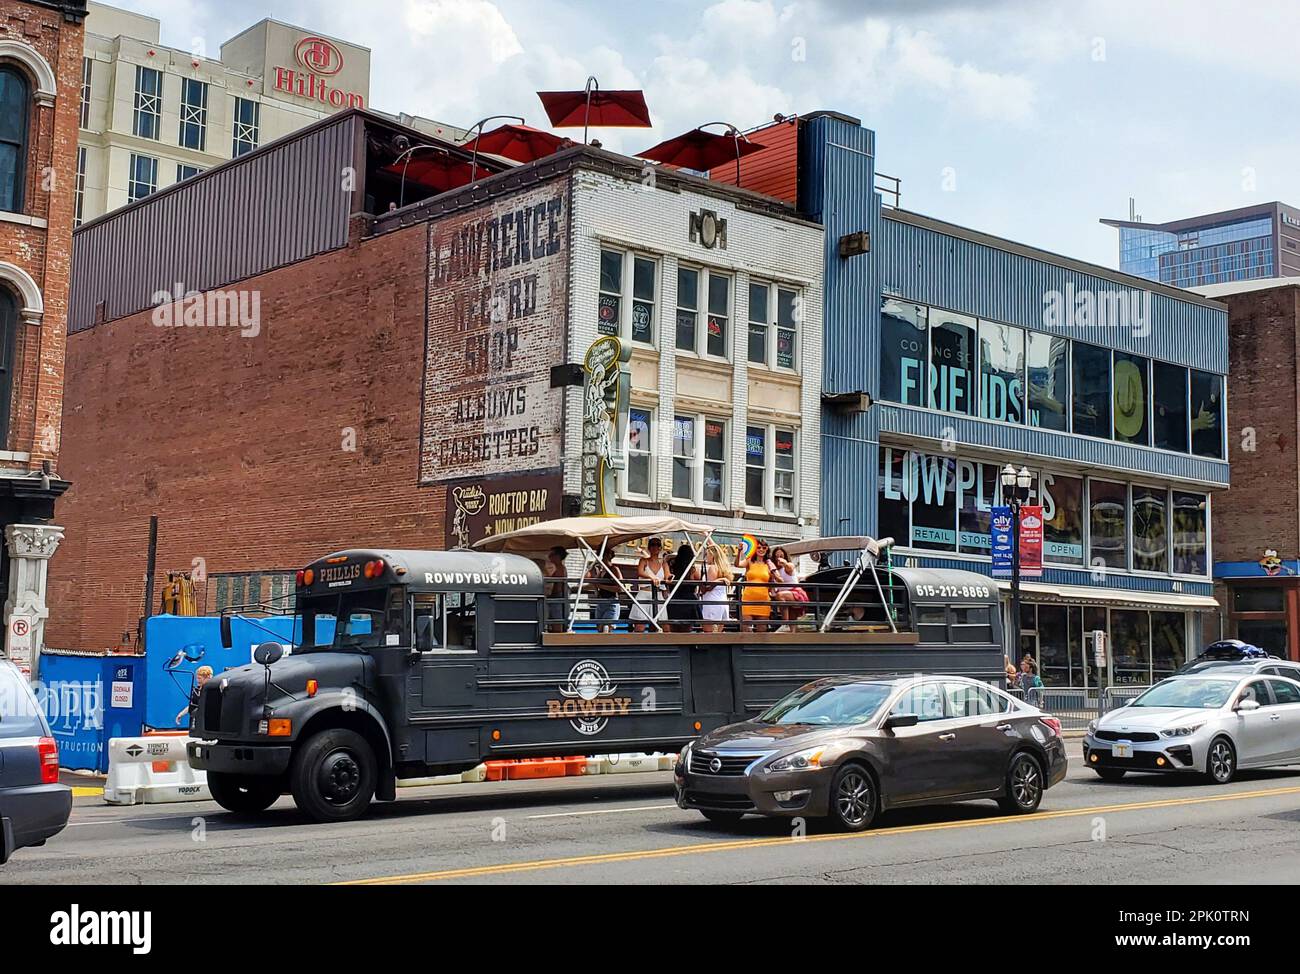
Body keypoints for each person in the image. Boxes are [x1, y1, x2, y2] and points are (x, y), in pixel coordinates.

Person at [628, 537, 672, 632]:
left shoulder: (664, 563)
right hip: (644, 594)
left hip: (658, 595)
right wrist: (652, 578)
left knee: (664, 626)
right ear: (649, 547)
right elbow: (640, 572)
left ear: (660, 548)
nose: (655, 547)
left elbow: (667, 575)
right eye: (652, 544)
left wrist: (669, 578)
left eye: (657, 545)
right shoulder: (644, 560)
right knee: (640, 626)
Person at [769, 546, 808, 632]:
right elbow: (773, 586)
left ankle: (785, 623)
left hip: (795, 593)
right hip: (785, 598)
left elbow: (790, 568)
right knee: (792, 619)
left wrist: (785, 563)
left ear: (785, 556)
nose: (778, 558)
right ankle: (791, 634)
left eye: (781, 556)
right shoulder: (774, 571)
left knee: (780, 596)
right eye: (776, 556)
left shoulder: (788, 566)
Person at [739, 538, 774, 633]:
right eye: (758, 547)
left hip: (763, 600)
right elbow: (737, 564)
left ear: (767, 549)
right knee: (746, 629)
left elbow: (778, 579)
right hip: (748, 599)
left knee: (762, 631)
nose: (761, 549)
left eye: (764, 547)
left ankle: (759, 648)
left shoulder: (769, 564)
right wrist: (739, 551)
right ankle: (746, 647)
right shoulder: (749, 560)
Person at [666, 542, 702, 633]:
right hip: (689, 600)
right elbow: (699, 581)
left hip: (674, 598)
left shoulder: (673, 567)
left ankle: (674, 645)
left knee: (673, 628)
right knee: (686, 629)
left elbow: (666, 562)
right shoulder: (693, 570)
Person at [700, 544, 734, 633]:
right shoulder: (723, 568)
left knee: (709, 634)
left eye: (707, 555)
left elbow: (709, 586)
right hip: (722, 601)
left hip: (712, 602)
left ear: (712, 555)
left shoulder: (712, 568)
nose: (706, 557)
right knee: (718, 633)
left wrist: (702, 587)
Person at [586, 554, 622, 633]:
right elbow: (591, 581)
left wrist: (601, 586)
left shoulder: (614, 569)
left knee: (606, 628)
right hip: (601, 602)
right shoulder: (601, 571)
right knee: (599, 629)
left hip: (611, 601)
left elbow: (620, 588)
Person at [544, 546, 569, 632]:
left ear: (558, 556)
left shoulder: (560, 569)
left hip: (557, 598)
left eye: (551, 554)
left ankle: (557, 637)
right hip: (556, 597)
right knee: (554, 620)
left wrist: (551, 596)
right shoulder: (558, 568)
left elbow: (558, 587)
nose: (549, 557)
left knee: (556, 621)